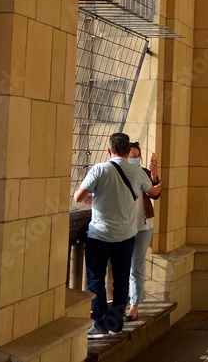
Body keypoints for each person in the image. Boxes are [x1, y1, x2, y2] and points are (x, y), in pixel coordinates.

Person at [74, 133, 152, 338]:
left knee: (96, 279)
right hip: (126, 235)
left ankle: (100, 323)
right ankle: (116, 321)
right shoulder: (136, 172)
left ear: (109, 150)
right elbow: (150, 190)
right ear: (128, 152)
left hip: (99, 234)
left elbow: (78, 196)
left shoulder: (100, 169)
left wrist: (95, 194)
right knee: (121, 278)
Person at [125, 142, 162, 322]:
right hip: (123, 226)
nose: (135, 159)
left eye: (138, 155)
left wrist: (154, 176)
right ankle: (121, 301)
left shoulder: (144, 173)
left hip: (143, 226)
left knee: (136, 265)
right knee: (122, 265)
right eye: (132, 155)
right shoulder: (118, 172)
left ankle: (135, 305)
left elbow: (155, 194)